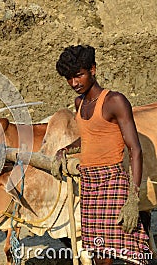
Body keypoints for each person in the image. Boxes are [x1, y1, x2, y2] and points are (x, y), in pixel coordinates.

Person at [54, 45, 150, 264]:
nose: (74, 83)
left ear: (93, 70)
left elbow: (135, 148)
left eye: (79, 75)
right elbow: (91, 135)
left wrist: (133, 199)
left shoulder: (114, 101)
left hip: (112, 182)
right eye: (69, 78)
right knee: (99, 255)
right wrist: (65, 150)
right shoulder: (79, 103)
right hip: (89, 185)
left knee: (130, 252)